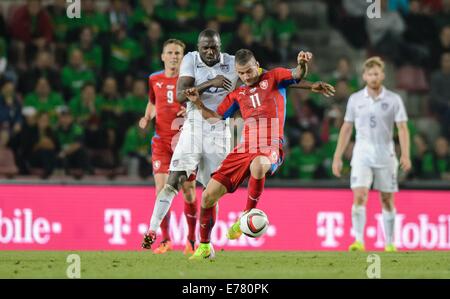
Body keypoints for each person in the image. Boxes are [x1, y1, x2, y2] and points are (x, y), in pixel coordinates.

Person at [183, 48, 312, 260]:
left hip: (270, 145)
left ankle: (246, 214)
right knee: (207, 196)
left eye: (249, 71)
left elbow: (297, 74)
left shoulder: (274, 77)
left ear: (257, 64)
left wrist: (302, 63)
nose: (246, 76)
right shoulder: (238, 94)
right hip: (244, 148)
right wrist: (197, 103)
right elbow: (215, 118)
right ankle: (205, 247)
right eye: (241, 73)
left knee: (259, 164)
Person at [332, 56, 411, 252]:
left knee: (387, 199)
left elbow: (402, 128)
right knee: (359, 195)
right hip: (362, 154)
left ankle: (390, 243)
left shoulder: (394, 100)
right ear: (364, 76)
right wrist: (337, 156)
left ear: (382, 75)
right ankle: (358, 241)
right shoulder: (355, 99)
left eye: (377, 73)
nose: (374, 77)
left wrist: (406, 154)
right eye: (370, 74)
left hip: (386, 154)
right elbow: (347, 128)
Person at [139, 39, 197, 255]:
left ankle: (191, 239)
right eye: (170, 52)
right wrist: (146, 117)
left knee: (189, 192)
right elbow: (153, 102)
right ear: (163, 56)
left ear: (183, 57)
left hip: (185, 143)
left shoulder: (190, 80)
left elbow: (199, 104)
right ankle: (165, 240)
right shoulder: (154, 79)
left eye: (178, 53)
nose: (174, 56)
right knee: (161, 191)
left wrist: (190, 110)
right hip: (161, 142)